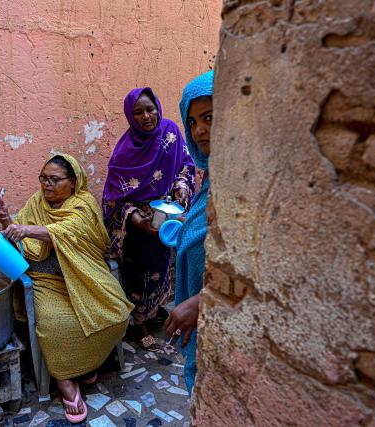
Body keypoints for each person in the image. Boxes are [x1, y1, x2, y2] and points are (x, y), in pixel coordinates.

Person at [0, 154, 134, 423]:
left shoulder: (84, 205)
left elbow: (67, 230)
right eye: (43, 178)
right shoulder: (36, 203)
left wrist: (26, 230)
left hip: (84, 275)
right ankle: (66, 381)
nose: (46, 184)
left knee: (115, 315)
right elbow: (22, 239)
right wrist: (8, 223)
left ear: (73, 182)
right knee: (55, 325)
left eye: (54, 179)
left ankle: (86, 364)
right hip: (48, 281)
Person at [102, 87, 195, 349]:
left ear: (158, 107)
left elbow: (185, 166)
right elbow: (113, 198)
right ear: (131, 117)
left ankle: (153, 311)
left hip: (167, 216)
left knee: (164, 263)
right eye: (138, 112)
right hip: (138, 226)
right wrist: (138, 221)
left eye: (150, 109)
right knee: (140, 271)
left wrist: (179, 193)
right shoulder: (125, 151)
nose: (146, 116)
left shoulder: (170, 133)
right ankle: (138, 322)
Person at [164, 70, 214, 395]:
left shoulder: (245, 183)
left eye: (209, 117)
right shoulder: (212, 175)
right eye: (193, 122)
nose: (199, 131)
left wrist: (203, 302)